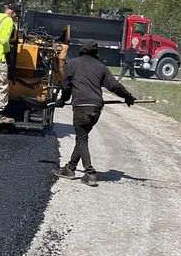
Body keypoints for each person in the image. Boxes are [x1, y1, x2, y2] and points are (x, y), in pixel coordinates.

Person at [57, 42, 135, 186]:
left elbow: (65, 85)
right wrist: (128, 96)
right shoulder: (101, 67)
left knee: (81, 139)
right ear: (95, 52)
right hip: (96, 108)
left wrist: (62, 100)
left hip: (81, 106)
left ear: (81, 50)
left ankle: (90, 173)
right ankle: (70, 168)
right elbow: (114, 86)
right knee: (82, 138)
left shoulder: (73, 64)